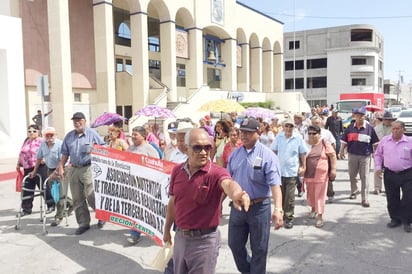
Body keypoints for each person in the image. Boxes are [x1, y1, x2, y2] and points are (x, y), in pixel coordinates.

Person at [163, 128, 250, 274]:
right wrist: (167, 230)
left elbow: (228, 184)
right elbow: (173, 202)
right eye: (197, 147)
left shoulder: (216, 172)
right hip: (180, 238)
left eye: (207, 147)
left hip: (204, 242)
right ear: (186, 148)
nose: (203, 152)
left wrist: (238, 194)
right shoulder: (177, 171)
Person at [227, 117, 283, 274]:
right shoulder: (235, 155)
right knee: (234, 244)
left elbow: (275, 185)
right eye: (241, 132)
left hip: (259, 208)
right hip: (237, 208)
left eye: (248, 132)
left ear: (258, 132)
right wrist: (218, 204)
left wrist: (278, 209)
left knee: (259, 249)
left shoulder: (268, 156)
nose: (243, 135)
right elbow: (227, 182)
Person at [56, 112, 106, 235]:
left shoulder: (92, 134)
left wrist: (94, 149)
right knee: (77, 197)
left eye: (79, 120)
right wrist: (61, 167)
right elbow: (65, 153)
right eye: (75, 120)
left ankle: (101, 215)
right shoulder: (69, 136)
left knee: (90, 194)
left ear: (85, 121)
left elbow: (104, 147)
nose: (77, 123)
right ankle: (83, 223)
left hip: (88, 167)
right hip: (74, 168)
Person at [29, 126, 73, 226]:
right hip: (50, 169)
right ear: (44, 136)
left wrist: (56, 172)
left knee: (61, 194)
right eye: (47, 135)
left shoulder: (60, 144)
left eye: (51, 135)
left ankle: (58, 217)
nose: (49, 137)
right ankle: (72, 203)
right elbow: (39, 158)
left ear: (55, 135)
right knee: (55, 193)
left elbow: (62, 160)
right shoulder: (43, 144)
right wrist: (34, 171)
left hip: (62, 169)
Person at [374, 121, 412, 233]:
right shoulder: (385, 140)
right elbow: (378, 154)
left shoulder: (409, 142)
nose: (395, 131)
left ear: (403, 130)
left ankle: (407, 220)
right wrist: (378, 167)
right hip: (390, 173)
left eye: (398, 128)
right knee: (392, 197)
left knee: (409, 198)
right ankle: (395, 219)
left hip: (407, 173)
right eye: (393, 129)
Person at [271, 117, 308, 229]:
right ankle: (280, 214)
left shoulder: (298, 137)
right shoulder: (279, 137)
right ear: (283, 126)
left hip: (292, 171)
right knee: (280, 195)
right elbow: (273, 151)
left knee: (290, 197)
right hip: (279, 171)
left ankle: (289, 218)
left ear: (294, 127)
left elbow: (303, 153)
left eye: (290, 126)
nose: (288, 128)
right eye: (286, 126)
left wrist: (303, 166)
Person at [340, 106, 379, 208]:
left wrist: (377, 154)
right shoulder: (349, 127)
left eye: (361, 116)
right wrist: (341, 151)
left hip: (365, 156)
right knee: (352, 175)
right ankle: (354, 191)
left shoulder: (370, 129)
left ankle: (364, 198)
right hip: (352, 155)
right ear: (354, 116)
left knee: (364, 177)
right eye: (357, 115)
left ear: (364, 116)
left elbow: (375, 143)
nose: (359, 118)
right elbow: (344, 141)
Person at [126, 126, 160, 244]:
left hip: (146, 185)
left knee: (149, 209)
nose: (133, 137)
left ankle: (157, 230)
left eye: (135, 134)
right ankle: (135, 233)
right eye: (132, 134)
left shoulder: (150, 150)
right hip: (133, 184)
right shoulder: (130, 148)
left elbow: (157, 167)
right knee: (136, 209)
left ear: (143, 136)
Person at [304, 125, 337, 228]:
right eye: (309, 133)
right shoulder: (304, 144)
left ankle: (320, 216)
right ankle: (313, 209)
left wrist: (333, 169)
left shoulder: (324, 143)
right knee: (311, 194)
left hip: (321, 175)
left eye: (314, 133)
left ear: (319, 134)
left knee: (320, 196)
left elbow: (332, 156)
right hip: (308, 174)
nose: (311, 135)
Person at [16, 124, 48, 216]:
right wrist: (18, 163)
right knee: (27, 189)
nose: (31, 133)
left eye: (34, 131)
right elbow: (21, 153)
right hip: (27, 167)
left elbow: (48, 151)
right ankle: (26, 209)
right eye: (29, 131)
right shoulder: (26, 141)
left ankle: (54, 204)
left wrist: (45, 159)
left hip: (39, 167)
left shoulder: (42, 141)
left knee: (45, 188)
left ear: (39, 132)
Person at [373, 111, 396, 194]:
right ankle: (377, 187)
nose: (388, 121)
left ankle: (389, 188)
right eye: (386, 119)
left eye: (390, 120)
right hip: (379, 152)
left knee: (390, 171)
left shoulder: (395, 128)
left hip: (392, 152)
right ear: (383, 120)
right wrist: (373, 152)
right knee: (377, 169)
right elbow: (373, 141)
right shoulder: (376, 128)